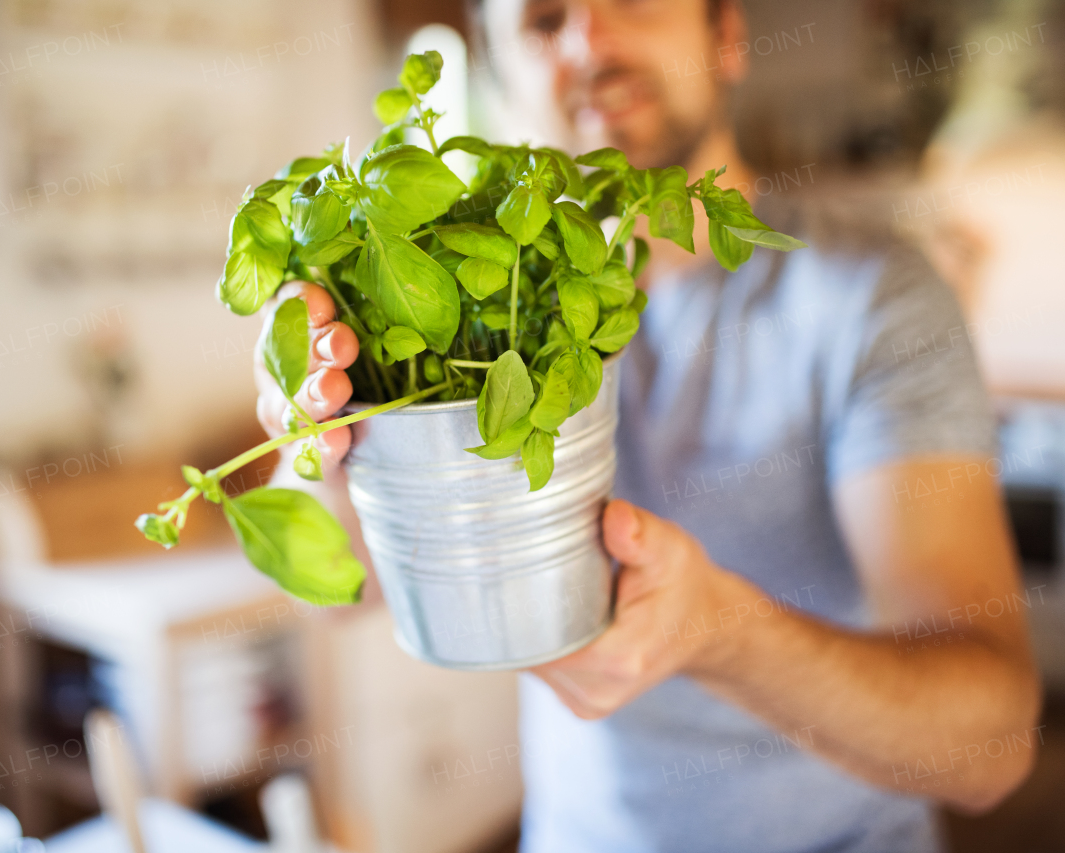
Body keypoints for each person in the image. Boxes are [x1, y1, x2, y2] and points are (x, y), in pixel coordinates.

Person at [253, 1, 1042, 850]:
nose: (590, 40)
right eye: (544, 21)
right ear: (496, 67)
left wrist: (718, 630)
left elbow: (988, 750)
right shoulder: (477, 305)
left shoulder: (876, 301)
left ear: (726, 36)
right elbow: (333, 589)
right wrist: (317, 441)